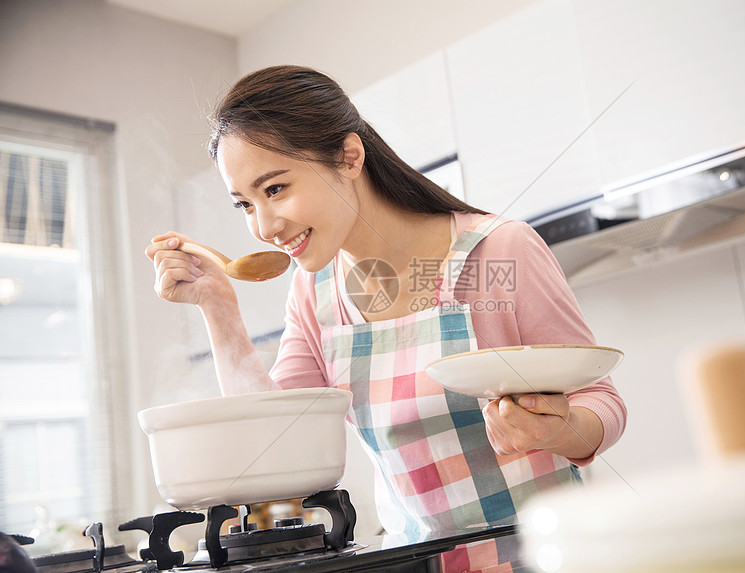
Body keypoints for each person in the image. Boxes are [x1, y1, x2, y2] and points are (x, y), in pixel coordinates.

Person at [146, 65, 626, 569]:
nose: (264, 227)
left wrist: (556, 429)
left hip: (549, 557)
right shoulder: (314, 289)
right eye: (245, 204)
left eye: (275, 189)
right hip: (416, 562)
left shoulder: (494, 252)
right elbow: (275, 448)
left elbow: (602, 402)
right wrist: (219, 309)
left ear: (349, 157)